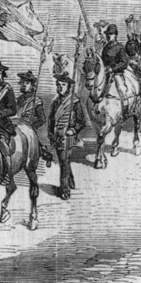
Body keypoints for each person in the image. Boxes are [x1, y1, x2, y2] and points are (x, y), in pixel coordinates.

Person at [46, 58, 83, 199]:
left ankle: (64, 189)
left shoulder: (75, 102)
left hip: (68, 137)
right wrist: (50, 135)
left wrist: (73, 130)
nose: (60, 87)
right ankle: (71, 180)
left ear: (68, 87)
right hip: (56, 137)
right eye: (58, 85)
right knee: (64, 161)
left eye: (63, 85)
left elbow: (81, 121)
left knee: (63, 161)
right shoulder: (55, 102)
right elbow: (51, 120)